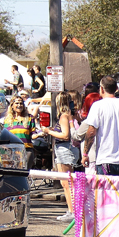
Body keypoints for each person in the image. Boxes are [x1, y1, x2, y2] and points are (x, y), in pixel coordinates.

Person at [82, 76, 119, 177]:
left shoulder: (97, 106)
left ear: (101, 89)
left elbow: (91, 131)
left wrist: (85, 154)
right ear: (116, 88)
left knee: (106, 192)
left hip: (105, 159)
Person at [43, 91, 81, 221]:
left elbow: (65, 135)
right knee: (66, 183)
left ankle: (73, 211)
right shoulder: (67, 116)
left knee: (67, 183)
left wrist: (49, 131)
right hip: (64, 150)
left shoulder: (64, 116)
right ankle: (70, 210)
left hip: (65, 149)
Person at [1, 94, 38, 170]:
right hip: (11, 152)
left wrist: (40, 135)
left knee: (24, 174)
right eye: (17, 103)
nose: (19, 105)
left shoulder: (29, 118)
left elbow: (32, 135)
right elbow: (4, 136)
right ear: (12, 105)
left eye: (21, 103)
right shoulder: (6, 120)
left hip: (26, 150)